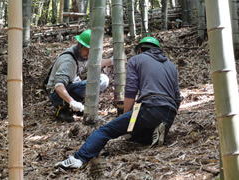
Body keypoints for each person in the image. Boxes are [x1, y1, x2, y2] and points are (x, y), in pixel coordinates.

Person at [55, 36, 181, 169]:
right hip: (169, 113)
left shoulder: (136, 59)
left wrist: (125, 117)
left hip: (150, 107)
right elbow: (177, 98)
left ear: (139, 49)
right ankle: (155, 131)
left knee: (104, 131)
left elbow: (131, 91)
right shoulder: (170, 65)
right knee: (134, 137)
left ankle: (79, 158)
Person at [46, 29, 112, 122]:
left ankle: (80, 106)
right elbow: (58, 86)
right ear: (80, 45)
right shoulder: (68, 61)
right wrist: (72, 102)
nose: (89, 54)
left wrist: (112, 61)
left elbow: (96, 62)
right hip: (57, 94)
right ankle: (64, 108)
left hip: (71, 86)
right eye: (87, 50)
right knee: (99, 81)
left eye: (91, 51)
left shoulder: (83, 54)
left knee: (103, 79)